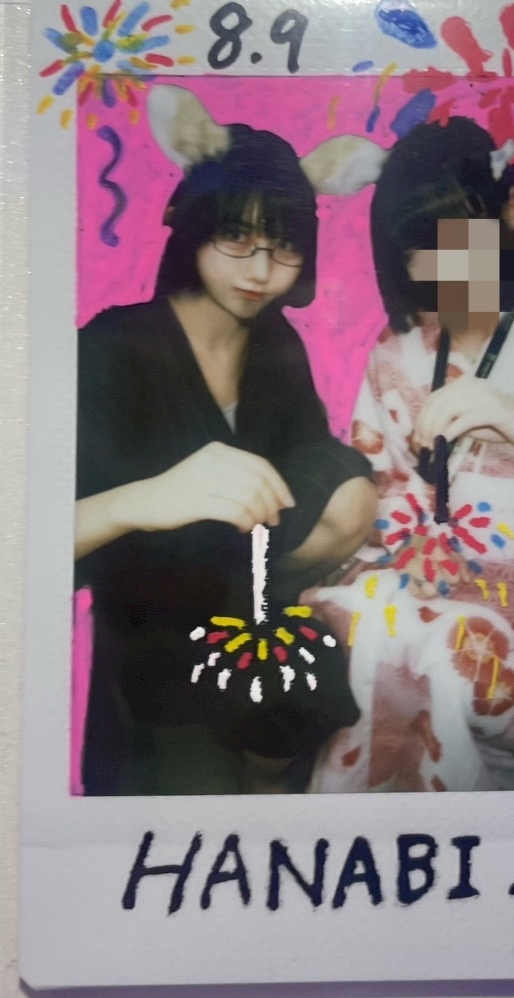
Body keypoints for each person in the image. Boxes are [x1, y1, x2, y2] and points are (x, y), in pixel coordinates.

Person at [75, 85, 376, 795]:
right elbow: (28, 548)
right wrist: (144, 500)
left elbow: (311, 493)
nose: (260, 270)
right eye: (235, 235)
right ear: (192, 223)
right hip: (152, 669)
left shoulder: (278, 348)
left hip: (255, 650)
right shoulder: (112, 347)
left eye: (284, 246)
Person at [304, 118, 514, 793]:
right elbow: (378, 491)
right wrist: (407, 546)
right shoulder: (396, 355)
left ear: (509, 211)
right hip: (412, 589)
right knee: (368, 629)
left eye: (462, 240)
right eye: (424, 252)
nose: (448, 270)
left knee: (443, 656)